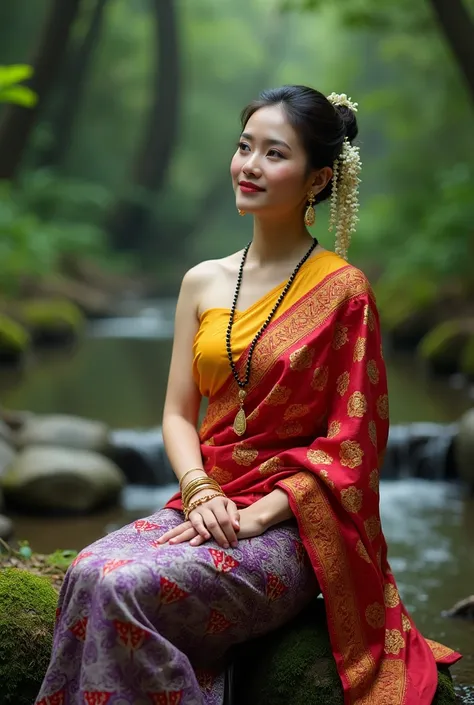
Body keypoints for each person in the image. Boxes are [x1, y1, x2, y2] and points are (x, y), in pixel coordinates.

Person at [35, 86, 460, 705]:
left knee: (123, 585)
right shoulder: (202, 281)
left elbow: (354, 447)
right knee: (85, 572)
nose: (250, 165)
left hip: (289, 530)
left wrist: (256, 515)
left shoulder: (346, 293)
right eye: (244, 147)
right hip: (205, 503)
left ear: (316, 180)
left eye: (273, 153)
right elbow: (179, 413)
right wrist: (200, 490)